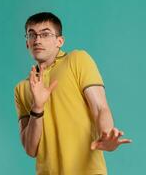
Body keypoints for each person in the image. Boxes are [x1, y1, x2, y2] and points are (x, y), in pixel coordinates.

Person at [14, 12, 132, 175]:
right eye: (32, 35)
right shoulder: (22, 88)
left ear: (59, 41)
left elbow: (100, 108)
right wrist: (37, 107)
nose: (38, 40)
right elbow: (31, 149)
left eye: (45, 34)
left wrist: (107, 135)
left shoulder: (77, 60)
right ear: (27, 43)